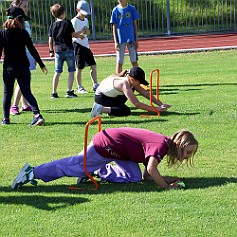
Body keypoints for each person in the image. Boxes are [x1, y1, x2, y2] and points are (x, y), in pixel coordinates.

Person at [11, 128, 198, 190]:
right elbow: (150, 170)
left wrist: (171, 180)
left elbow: (146, 176)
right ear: (180, 146)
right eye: (188, 152)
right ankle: (32, 171)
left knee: (133, 176)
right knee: (75, 166)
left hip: (120, 150)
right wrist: (166, 188)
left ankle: (97, 170)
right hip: (107, 145)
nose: (188, 157)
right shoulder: (162, 145)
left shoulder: (163, 145)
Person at [0, 7, 48, 126]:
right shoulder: (23, 33)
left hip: (9, 68)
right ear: (19, 20)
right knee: (27, 92)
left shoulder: (3, 33)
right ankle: (37, 115)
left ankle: (6, 119)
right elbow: (32, 49)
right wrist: (41, 64)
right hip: (23, 67)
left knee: (7, 93)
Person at [90, 66, 171, 118]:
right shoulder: (124, 84)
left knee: (125, 108)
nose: (140, 84)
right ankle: (100, 108)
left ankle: (109, 110)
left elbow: (145, 93)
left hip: (108, 97)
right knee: (125, 111)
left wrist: (160, 104)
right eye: (140, 82)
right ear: (132, 79)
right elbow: (137, 104)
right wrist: (156, 109)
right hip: (101, 98)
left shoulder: (130, 81)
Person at [9, 0, 36, 115]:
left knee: (26, 80)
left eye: (27, 6)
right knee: (21, 81)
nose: (26, 8)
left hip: (27, 54)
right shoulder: (14, 22)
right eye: (24, 6)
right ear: (17, 6)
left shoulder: (25, 21)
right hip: (20, 55)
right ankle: (14, 106)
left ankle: (24, 104)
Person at [49, 4, 79, 99]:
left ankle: (54, 92)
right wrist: (81, 34)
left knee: (57, 72)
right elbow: (73, 34)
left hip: (58, 51)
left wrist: (51, 51)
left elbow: (50, 40)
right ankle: (69, 91)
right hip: (68, 49)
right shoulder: (67, 23)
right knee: (71, 71)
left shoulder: (52, 25)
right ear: (63, 13)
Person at [71, 0, 99, 94]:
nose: (85, 15)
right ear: (77, 10)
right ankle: (79, 87)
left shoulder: (86, 20)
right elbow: (72, 34)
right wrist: (80, 34)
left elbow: (88, 31)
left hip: (86, 46)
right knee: (79, 67)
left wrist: (87, 32)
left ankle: (95, 84)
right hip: (78, 46)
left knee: (93, 65)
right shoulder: (74, 21)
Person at [110, 0, 140, 73]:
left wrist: (136, 40)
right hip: (120, 39)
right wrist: (115, 41)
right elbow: (114, 27)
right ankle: (118, 79)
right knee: (119, 62)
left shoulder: (132, 9)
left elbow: (135, 25)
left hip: (131, 39)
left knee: (134, 60)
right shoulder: (115, 10)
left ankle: (137, 79)